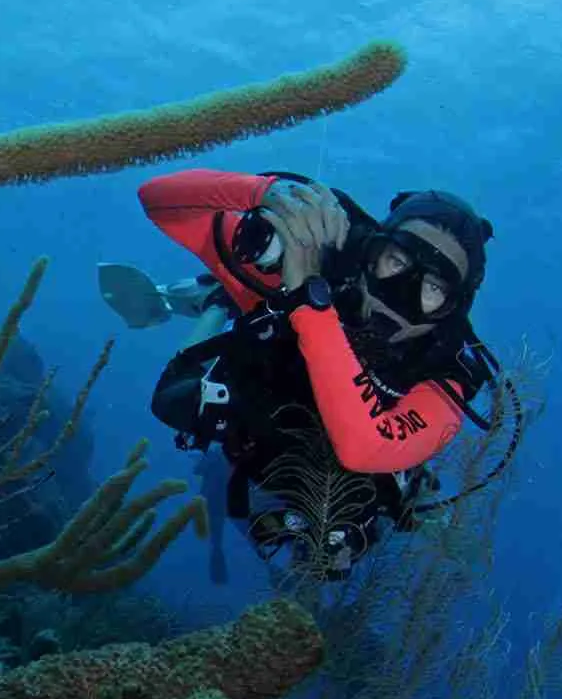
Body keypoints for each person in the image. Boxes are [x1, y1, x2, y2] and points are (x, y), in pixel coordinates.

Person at [104, 168, 509, 577]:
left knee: (348, 535)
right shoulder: (316, 263)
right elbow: (157, 199)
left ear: (453, 309)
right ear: (371, 251)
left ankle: (224, 294)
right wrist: (267, 194)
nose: (402, 294)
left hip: (322, 477)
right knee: (180, 397)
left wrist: (307, 304)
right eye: (397, 261)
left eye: (433, 288)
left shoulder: (446, 373)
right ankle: (218, 299)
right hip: (250, 412)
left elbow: (364, 449)